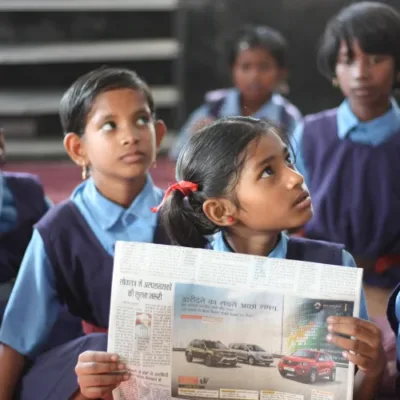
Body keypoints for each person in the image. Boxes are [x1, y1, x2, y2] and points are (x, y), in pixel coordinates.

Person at [76, 117, 385, 400]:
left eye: (288, 160)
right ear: (221, 211)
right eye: (268, 171)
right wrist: (101, 382)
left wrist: (373, 369)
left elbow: (350, 392)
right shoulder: (174, 278)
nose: (295, 178)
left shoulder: (333, 266)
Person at [0, 67, 169, 400]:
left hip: (171, 367)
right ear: (78, 148)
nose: (130, 135)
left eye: (141, 120)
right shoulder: (58, 230)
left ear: (159, 134)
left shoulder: (184, 215)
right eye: (110, 125)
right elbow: (18, 337)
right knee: (104, 355)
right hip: (92, 374)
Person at [291, 2, 400, 288]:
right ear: (334, 70)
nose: (361, 73)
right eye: (348, 60)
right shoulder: (310, 133)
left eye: (376, 59)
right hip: (320, 280)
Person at [169, 24, 301, 160]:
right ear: (233, 70)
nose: (254, 76)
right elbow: (177, 155)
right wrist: (197, 142)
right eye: (245, 67)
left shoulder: (288, 119)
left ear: (281, 73)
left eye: (264, 67)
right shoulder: (213, 110)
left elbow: (297, 165)